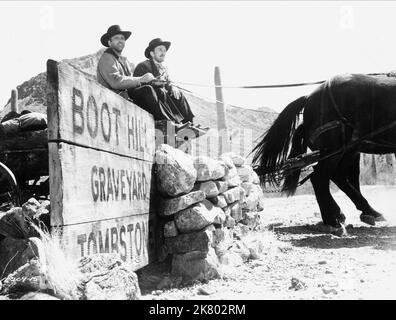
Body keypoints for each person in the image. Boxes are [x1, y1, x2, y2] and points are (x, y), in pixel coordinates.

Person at [97, 25, 191, 129]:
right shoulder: (107, 58)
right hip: (112, 100)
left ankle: (176, 123)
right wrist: (141, 80)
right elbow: (115, 81)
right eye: (116, 38)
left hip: (125, 98)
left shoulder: (124, 61)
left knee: (158, 90)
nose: (120, 41)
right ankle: (165, 125)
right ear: (110, 43)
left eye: (122, 38)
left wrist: (152, 81)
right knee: (147, 90)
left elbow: (130, 82)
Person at [132, 38, 208, 134]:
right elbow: (141, 84)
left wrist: (172, 87)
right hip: (145, 98)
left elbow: (168, 83)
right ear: (152, 53)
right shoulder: (143, 66)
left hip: (160, 96)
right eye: (160, 49)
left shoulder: (164, 69)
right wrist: (160, 83)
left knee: (178, 94)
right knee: (160, 91)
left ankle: (189, 124)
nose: (163, 52)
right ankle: (170, 123)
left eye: (164, 50)